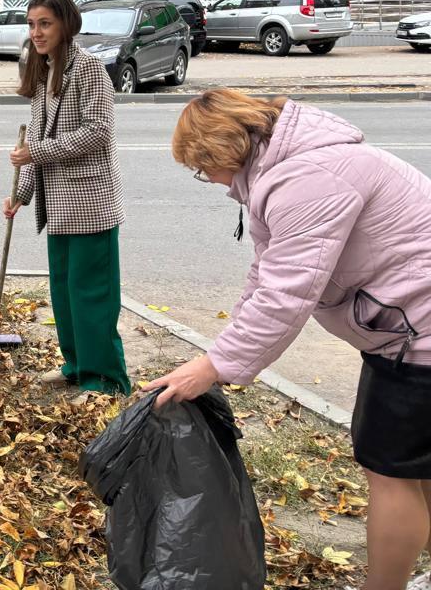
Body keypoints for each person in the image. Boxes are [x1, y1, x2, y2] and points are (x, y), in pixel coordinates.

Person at [150, 89, 431, 590]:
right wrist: (219, 353)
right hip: (406, 331)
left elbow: (286, 294)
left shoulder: (307, 180)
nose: (208, 180)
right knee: (419, 468)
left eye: (201, 167)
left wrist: (213, 368)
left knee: (391, 474)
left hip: (419, 338)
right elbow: (266, 274)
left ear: (221, 151)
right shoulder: (292, 166)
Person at [3, 0, 130, 395]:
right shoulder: (45, 71)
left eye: (45, 24)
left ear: (66, 26)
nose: (36, 32)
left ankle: (106, 380)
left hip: (91, 203)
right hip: (58, 206)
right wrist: (22, 194)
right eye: (31, 24)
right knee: (65, 292)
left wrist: (34, 152)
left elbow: (97, 132)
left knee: (93, 294)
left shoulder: (90, 69)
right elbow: (37, 139)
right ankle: (76, 365)